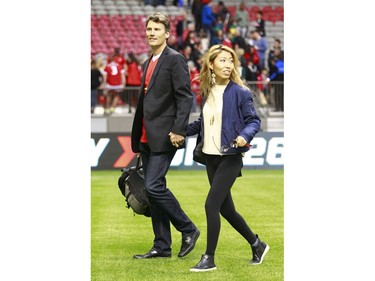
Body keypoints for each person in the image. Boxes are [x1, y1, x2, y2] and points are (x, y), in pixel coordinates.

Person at [186, 44, 269, 272]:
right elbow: (201, 123)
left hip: (230, 156)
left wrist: (244, 136)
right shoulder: (207, 91)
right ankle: (257, 244)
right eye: (222, 60)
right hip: (210, 158)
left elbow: (254, 121)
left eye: (230, 61)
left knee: (211, 204)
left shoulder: (240, 92)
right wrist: (180, 131)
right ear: (211, 65)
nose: (227, 65)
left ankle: (209, 258)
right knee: (227, 210)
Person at [131, 12, 200, 260]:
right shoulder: (147, 61)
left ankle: (188, 228)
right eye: (149, 29)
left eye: (157, 30)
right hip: (147, 136)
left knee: (153, 186)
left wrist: (179, 130)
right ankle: (162, 245)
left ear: (167, 34)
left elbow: (185, 97)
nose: (151, 33)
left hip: (166, 136)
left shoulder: (175, 59)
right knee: (152, 192)